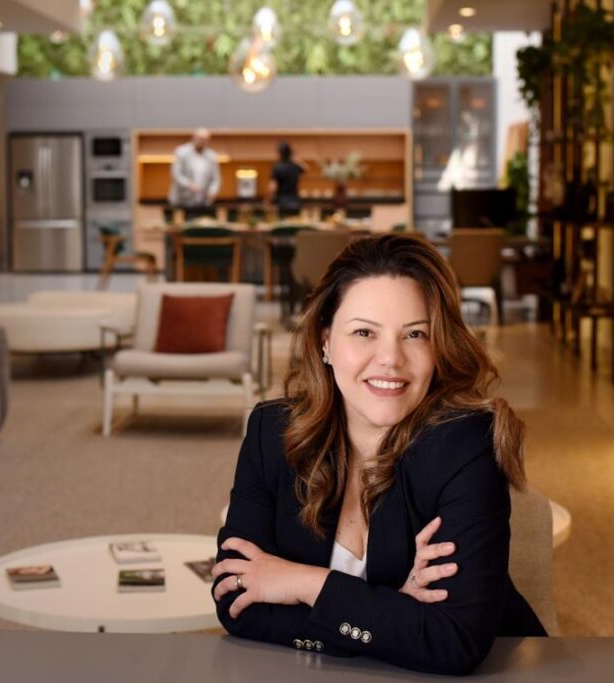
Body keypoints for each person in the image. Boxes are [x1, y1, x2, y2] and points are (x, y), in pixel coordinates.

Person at [212, 234, 546, 675]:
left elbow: (455, 641)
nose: (390, 358)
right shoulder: (270, 433)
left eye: (415, 334)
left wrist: (304, 583)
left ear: (438, 347)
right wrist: (392, 616)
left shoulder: (465, 447)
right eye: (364, 332)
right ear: (326, 340)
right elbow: (237, 602)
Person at [169, 128, 221, 220]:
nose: (202, 142)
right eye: (200, 139)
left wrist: (213, 191)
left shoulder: (211, 155)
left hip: (202, 201)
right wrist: (189, 185)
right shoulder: (181, 152)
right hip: (182, 200)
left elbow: (216, 179)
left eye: (205, 140)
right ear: (194, 138)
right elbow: (176, 174)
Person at [268, 141, 307, 218]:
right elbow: (306, 168)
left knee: (282, 223)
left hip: (282, 202)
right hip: (295, 201)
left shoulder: (277, 167)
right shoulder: (295, 166)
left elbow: (272, 186)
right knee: (295, 222)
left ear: (280, 153)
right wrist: (296, 159)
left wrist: (269, 199)